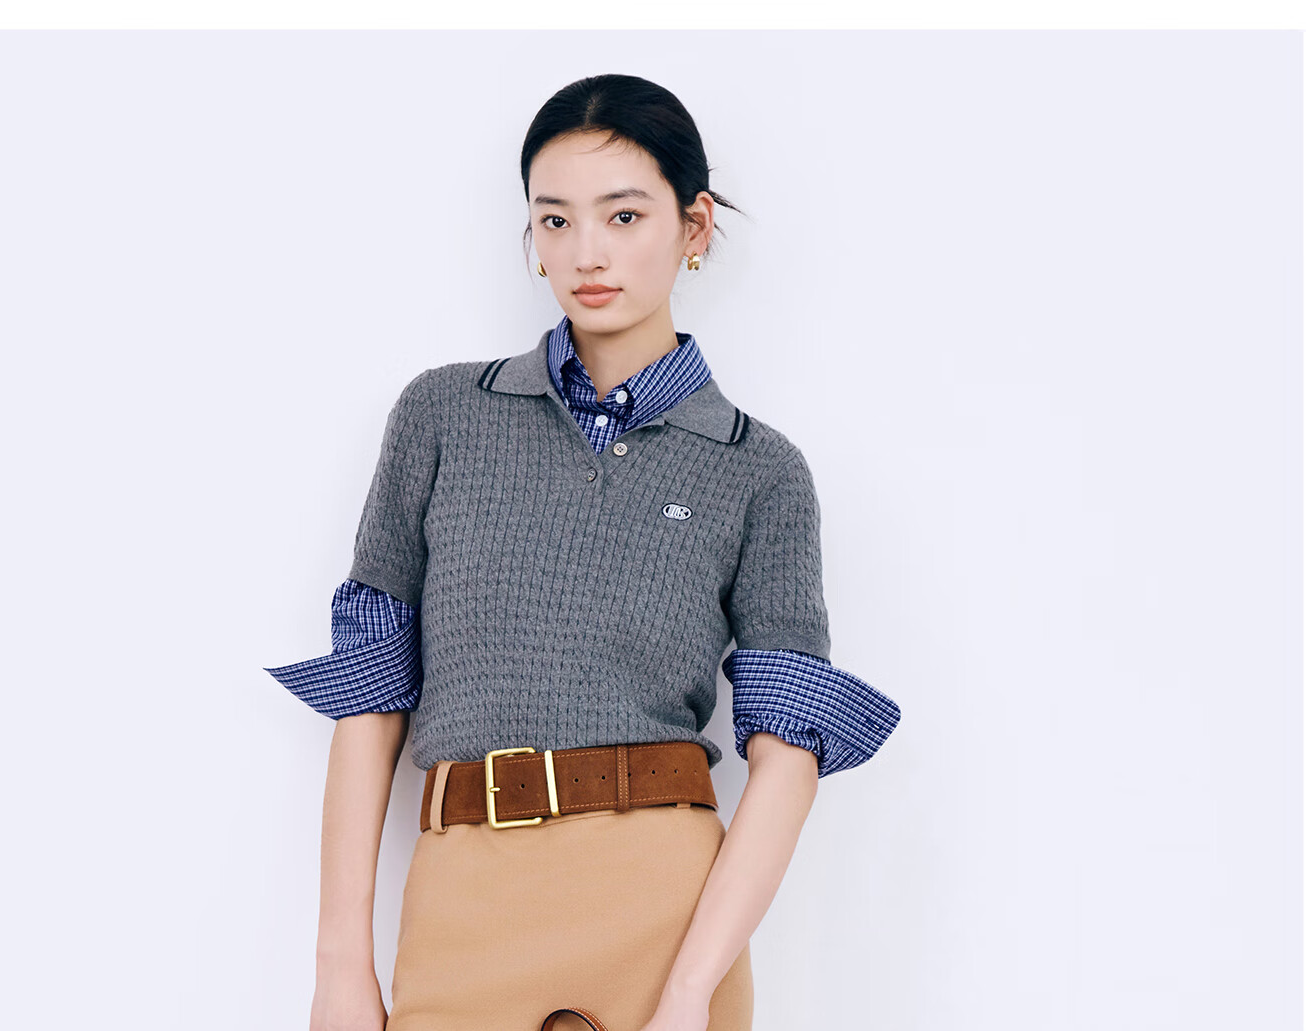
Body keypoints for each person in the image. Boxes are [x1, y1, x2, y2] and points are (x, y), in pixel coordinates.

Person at [264, 73, 902, 1031]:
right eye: (554, 220)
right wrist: (339, 964)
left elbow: (787, 760)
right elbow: (369, 696)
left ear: (694, 227)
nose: (585, 252)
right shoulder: (442, 416)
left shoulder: (758, 470)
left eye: (623, 215)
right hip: (463, 904)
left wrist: (689, 992)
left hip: (664, 915)